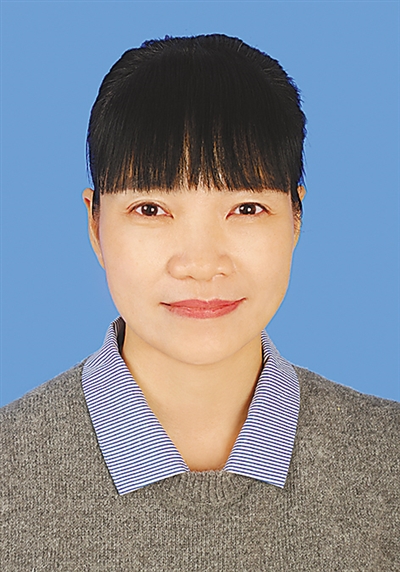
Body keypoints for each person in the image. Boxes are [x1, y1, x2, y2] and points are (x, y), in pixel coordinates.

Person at [1, 34, 399, 571]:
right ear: (94, 225)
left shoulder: (388, 459)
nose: (201, 263)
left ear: (296, 219)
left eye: (246, 208)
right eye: (151, 209)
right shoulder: (9, 467)